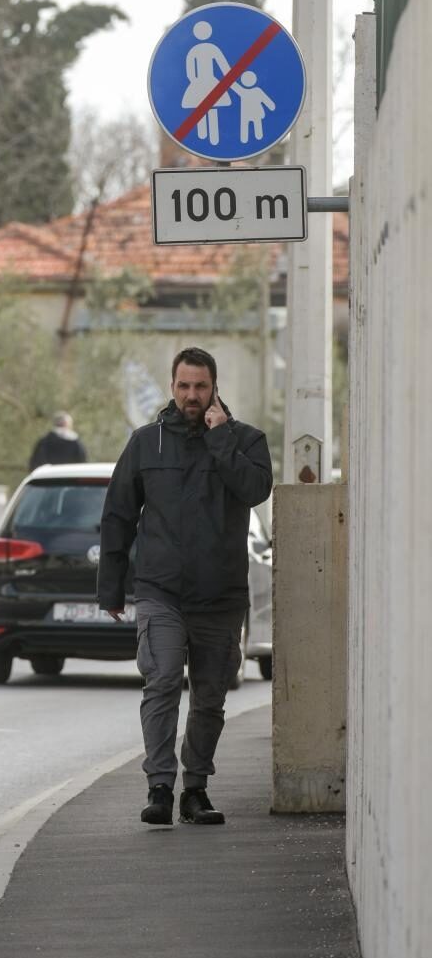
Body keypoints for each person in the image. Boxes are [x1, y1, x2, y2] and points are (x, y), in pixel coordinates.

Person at [96, 346, 273, 828]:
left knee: (210, 698)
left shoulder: (246, 441)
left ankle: (196, 789)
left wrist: (220, 441)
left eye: (200, 386)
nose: (191, 395)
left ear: (214, 388)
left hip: (221, 596)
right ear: (171, 387)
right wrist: (111, 586)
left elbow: (256, 490)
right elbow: (117, 515)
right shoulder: (146, 443)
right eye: (183, 386)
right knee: (164, 680)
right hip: (162, 592)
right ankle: (159, 786)